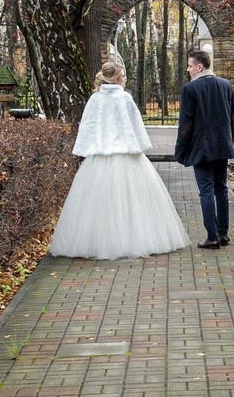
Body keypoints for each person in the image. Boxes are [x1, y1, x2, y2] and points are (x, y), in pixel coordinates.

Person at [47, 60, 190, 259]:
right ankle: (134, 240)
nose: (125, 79)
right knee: (134, 201)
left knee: (97, 203)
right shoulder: (124, 98)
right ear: (116, 78)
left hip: (99, 159)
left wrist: (86, 148)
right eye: (122, 76)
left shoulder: (95, 99)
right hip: (126, 156)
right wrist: (139, 145)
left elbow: (88, 125)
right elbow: (135, 124)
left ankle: (97, 242)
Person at [174, 46, 234, 250]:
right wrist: (230, 141)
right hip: (222, 145)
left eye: (190, 66)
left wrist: (181, 150)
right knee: (221, 189)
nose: (188, 70)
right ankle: (223, 234)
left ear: (199, 67)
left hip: (201, 148)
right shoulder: (226, 85)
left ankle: (212, 237)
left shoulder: (190, 89)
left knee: (206, 191)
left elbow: (186, 123)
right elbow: (231, 118)